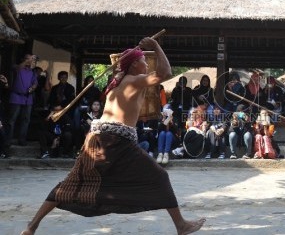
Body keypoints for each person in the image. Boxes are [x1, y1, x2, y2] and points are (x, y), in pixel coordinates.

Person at [20, 37, 205, 235]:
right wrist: (156, 45)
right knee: (160, 176)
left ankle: (31, 227)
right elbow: (166, 72)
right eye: (143, 60)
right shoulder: (133, 80)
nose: (146, 63)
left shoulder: (117, 83)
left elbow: (129, 109)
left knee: (72, 183)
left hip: (98, 138)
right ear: (134, 64)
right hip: (116, 141)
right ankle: (181, 226)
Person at [7, 54, 38, 146]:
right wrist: (27, 60)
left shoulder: (32, 72)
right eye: (28, 59)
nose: (31, 61)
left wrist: (33, 87)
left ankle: (22, 140)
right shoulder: (17, 67)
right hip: (16, 97)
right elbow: (18, 67)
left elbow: (35, 83)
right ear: (24, 60)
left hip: (28, 99)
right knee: (12, 120)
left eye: (32, 59)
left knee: (25, 120)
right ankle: (8, 140)